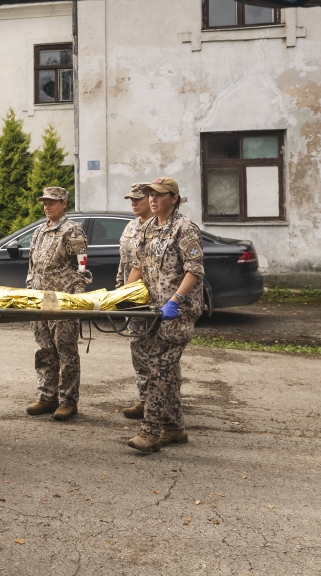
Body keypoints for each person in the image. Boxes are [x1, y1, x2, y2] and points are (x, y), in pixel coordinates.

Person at [125, 177, 205, 452]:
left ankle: (150, 433)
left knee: (159, 370)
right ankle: (175, 428)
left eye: (159, 195)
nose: (152, 199)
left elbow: (194, 269)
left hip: (176, 314)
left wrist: (176, 300)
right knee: (161, 369)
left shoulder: (185, 228)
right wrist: (122, 296)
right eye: (150, 195)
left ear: (174, 198)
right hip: (152, 313)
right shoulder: (148, 228)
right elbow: (139, 265)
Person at [24, 186, 92, 421]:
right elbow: (32, 267)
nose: (47, 206)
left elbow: (82, 268)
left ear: (64, 203)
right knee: (44, 351)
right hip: (40, 301)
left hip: (63, 302)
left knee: (66, 353)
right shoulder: (40, 232)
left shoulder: (72, 231)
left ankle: (68, 401)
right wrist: (30, 291)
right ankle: (47, 396)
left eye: (52, 202)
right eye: (45, 202)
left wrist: (76, 299)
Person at [117, 182, 153, 420]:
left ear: (150, 199)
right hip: (133, 299)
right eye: (131, 199)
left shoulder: (159, 226)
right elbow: (123, 264)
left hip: (154, 299)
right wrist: (119, 293)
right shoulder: (130, 227)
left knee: (158, 353)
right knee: (138, 349)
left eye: (137, 199)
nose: (133, 203)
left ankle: (162, 401)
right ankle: (144, 399)